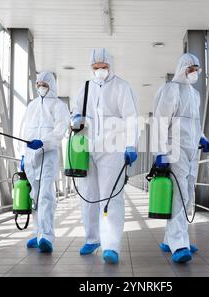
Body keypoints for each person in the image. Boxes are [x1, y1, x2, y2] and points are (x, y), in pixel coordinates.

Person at [72, 48, 138, 264]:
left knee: (110, 197)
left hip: (113, 147)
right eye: (96, 67)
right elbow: (74, 112)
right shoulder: (86, 87)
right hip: (87, 147)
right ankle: (92, 238)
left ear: (111, 65)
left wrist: (130, 145)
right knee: (89, 195)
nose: (100, 71)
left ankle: (110, 245)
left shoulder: (121, 86)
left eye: (104, 67)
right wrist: (75, 119)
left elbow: (130, 118)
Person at [153, 53, 209, 263]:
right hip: (174, 148)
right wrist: (160, 151)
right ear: (182, 69)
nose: (194, 73)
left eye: (197, 70)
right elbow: (160, 121)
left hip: (191, 150)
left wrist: (203, 138)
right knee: (178, 195)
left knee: (187, 193)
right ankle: (179, 244)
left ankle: (172, 239)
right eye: (191, 69)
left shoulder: (194, 94)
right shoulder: (171, 89)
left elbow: (195, 123)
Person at [20, 71, 70, 253]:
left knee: (46, 196)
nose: (41, 87)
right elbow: (23, 131)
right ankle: (37, 232)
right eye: (38, 84)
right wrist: (23, 155)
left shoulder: (59, 106)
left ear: (51, 86)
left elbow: (60, 130)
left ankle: (47, 236)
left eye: (44, 84)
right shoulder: (31, 106)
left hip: (48, 155)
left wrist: (44, 142)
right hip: (31, 156)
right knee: (34, 195)